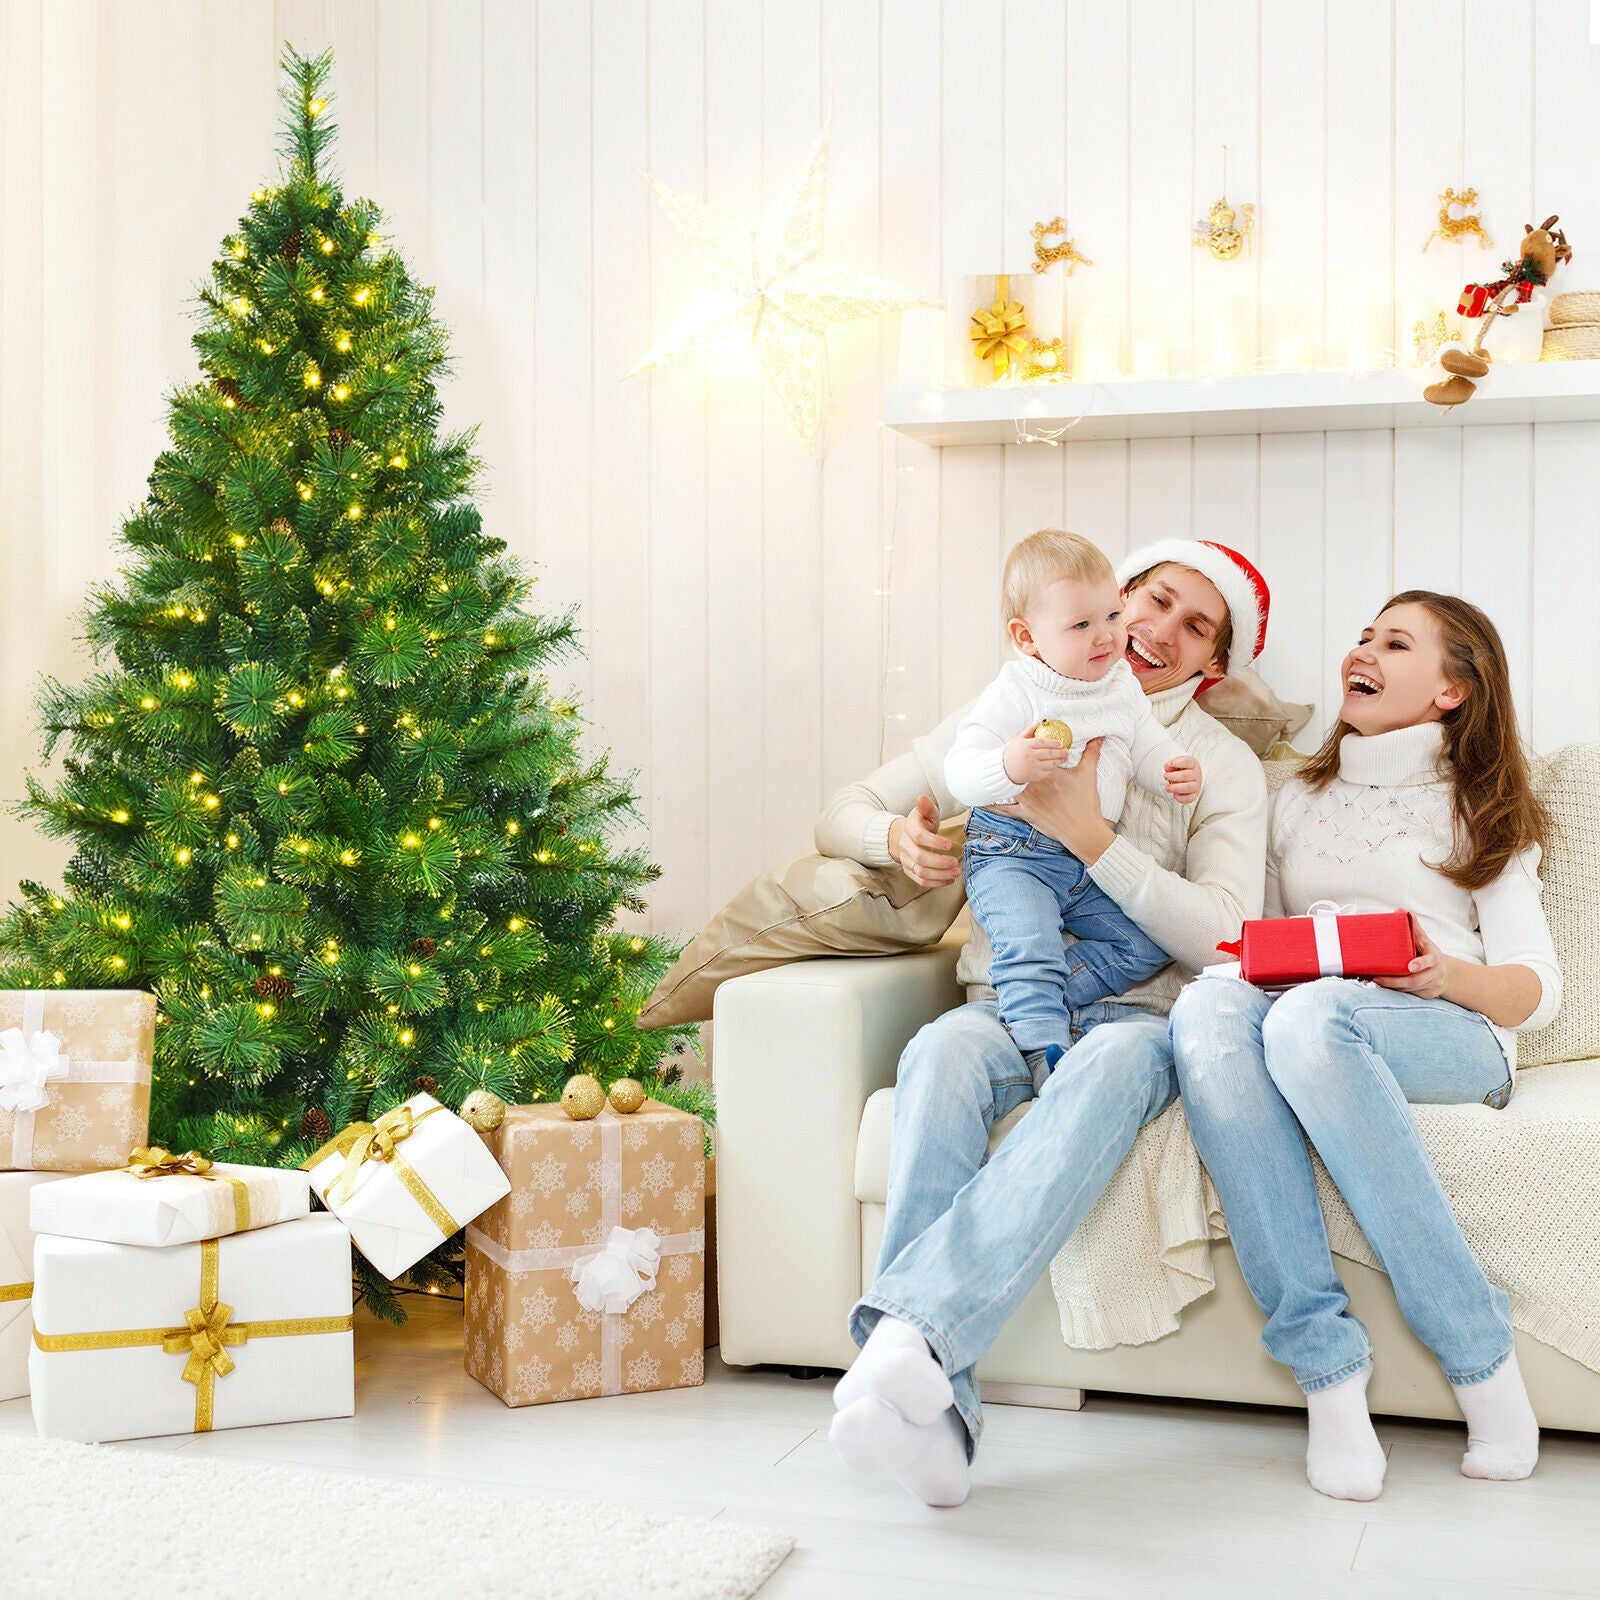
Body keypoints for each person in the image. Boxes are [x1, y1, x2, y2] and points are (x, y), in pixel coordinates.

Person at [817, 537, 1271, 1505]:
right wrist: (890, 835)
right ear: (1105, 603)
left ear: (1213, 664)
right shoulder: (1019, 697)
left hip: (1131, 1018)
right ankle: (939, 1415)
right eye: (1147, 600)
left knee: (1104, 1070)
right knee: (937, 1054)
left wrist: (1090, 839)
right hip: (998, 1003)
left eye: (1195, 624)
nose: (1153, 629)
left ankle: (906, 1333)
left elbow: (1226, 935)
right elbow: (842, 810)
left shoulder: (1216, 764)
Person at [1169, 592, 1561, 1504]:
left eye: (1395, 642)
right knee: (1206, 1013)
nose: (1364, 650)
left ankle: (1479, 1359)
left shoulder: (1482, 804)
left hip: (1453, 1032)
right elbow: (1256, 936)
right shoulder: (1295, 797)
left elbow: (1534, 991)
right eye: (1363, 636)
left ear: (1453, 692)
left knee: (1313, 1019)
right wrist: (1245, 972)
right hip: (1314, 1010)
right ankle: (1329, 1377)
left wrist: (1439, 975)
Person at [946, 530, 1200, 1081]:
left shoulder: (1120, 684)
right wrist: (1009, 764)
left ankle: (1038, 996)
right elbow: (960, 769)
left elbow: (1143, 738)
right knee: (1030, 946)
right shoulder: (1018, 690)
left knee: (1143, 942)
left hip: (1083, 860)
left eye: (1111, 615)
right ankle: (1043, 1055)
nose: (1107, 636)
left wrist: (1171, 769)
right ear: (1028, 637)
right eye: (1081, 625)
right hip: (1011, 853)